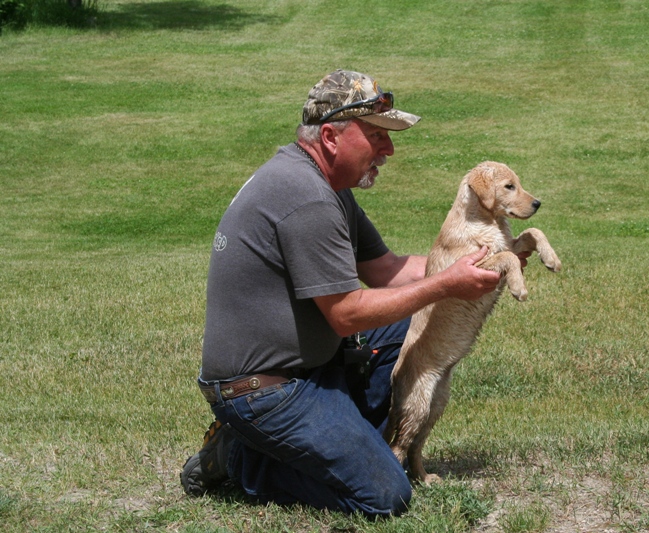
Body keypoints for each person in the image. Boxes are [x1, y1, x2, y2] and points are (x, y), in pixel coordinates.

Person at [180, 69, 503, 517]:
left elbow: (389, 272)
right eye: (376, 135)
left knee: (409, 323)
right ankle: (238, 458)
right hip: (264, 392)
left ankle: (330, 438)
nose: (388, 150)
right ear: (331, 136)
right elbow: (348, 315)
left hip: (307, 369)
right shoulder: (306, 197)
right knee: (384, 495)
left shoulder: (328, 188)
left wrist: (478, 263)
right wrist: (447, 284)